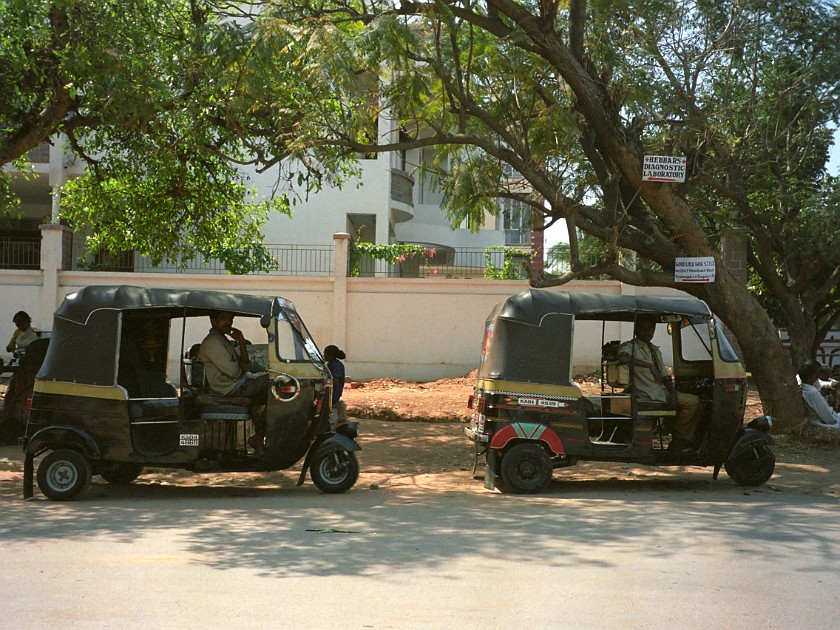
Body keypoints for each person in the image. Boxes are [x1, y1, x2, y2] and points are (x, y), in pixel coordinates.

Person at [617, 315, 702, 456]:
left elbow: (665, 376)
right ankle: (680, 441)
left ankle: (677, 435)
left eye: (650, 329)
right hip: (647, 394)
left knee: (686, 401)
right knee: (693, 403)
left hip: (660, 392)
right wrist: (648, 365)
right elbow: (622, 357)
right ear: (636, 329)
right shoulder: (630, 346)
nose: (647, 332)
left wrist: (673, 393)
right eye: (643, 329)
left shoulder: (654, 350)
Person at [198, 311, 269, 452]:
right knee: (274, 383)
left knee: (268, 390)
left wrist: (241, 340)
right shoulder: (213, 342)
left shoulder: (222, 339)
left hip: (237, 383)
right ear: (213, 320)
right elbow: (234, 372)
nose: (229, 322)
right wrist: (243, 370)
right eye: (224, 319)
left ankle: (259, 437)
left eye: (230, 319)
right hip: (229, 388)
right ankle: (259, 436)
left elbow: (245, 364)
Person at [798, 359, 840, 430]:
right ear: (812, 375)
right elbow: (829, 418)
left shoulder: (804, 388)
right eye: (817, 373)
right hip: (818, 423)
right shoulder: (812, 392)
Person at [324, 345, 347, 427]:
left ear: (330, 355)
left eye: (325, 354)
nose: (324, 356)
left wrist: (324, 384)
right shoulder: (330, 364)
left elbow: (336, 381)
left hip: (333, 395)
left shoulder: (336, 365)